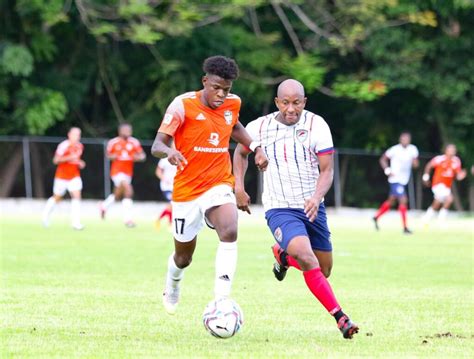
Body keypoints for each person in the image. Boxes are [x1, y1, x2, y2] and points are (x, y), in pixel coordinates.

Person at [233, 79, 358, 339]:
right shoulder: (259, 127)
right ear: (278, 102)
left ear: (304, 102)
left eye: (297, 103)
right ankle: (341, 318)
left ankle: (284, 257)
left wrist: (316, 196)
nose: (291, 109)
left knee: (323, 270)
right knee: (307, 257)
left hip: (313, 207)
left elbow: (327, 170)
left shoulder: (317, 125)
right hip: (280, 208)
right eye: (286, 103)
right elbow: (240, 152)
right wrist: (239, 187)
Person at [151, 55, 268, 315]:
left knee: (229, 229)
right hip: (186, 190)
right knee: (183, 257)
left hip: (218, 182)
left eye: (226, 90)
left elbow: (234, 125)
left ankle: (221, 301)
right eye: (216, 88)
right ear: (205, 81)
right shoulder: (182, 105)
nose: (221, 94)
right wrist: (168, 152)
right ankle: (173, 282)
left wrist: (256, 147)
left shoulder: (232, 103)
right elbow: (157, 144)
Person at [100, 123, 146, 227]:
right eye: (125, 130)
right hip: (117, 172)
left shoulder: (134, 142)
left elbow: (143, 156)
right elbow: (108, 155)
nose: (128, 132)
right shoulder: (113, 142)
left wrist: (137, 158)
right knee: (128, 190)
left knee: (118, 195)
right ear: (120, 131)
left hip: (128, 172)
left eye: (129, 130)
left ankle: (103, 206)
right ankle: (128, 220)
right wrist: (114, 156)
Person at [372, 132, 419, 234]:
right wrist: (387, 170)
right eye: (403, 139)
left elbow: (416, 164)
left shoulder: (413, 149)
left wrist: (415, 163)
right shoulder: (395, 149)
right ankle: (405, 227)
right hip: (395, 179)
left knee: (391, 201)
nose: (405, 140)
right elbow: (383, 159)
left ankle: (376, 217)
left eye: (407, 139)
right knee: (403, 200)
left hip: (404, 180)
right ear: (400, 140)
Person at [42, 127, 85, 230]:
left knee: (76, 196)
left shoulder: (80, 146)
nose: (77, 137)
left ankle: (76, 223)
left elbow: (76, 160)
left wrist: (80, 163)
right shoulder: (63, 146)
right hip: (62, 176)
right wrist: (69, 158)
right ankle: (45, 215)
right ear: (69, 134)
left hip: (74, 176)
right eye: (75, 134)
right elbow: (56, 160)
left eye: (78, 135)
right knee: (57, 197)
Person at [422, 144, 467, 222]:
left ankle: (427, 217)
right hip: (437, 184)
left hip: (447, 186)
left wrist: (462, 176)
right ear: (446, 150)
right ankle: (441, 219)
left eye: (453, 150)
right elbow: (429, 166)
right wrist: (426, 177)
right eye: (450, 150)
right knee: (449, 199)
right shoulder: (439, 159)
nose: (452, 151)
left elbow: (458, 175)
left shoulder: (456, 161)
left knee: (437, 202)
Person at [155, 157, 177, 229]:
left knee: (172, 205)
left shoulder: (179, 158)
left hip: (176, 185)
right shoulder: (164, 159)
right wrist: (164, 178)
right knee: (171, 203)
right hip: (166, 186)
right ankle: (170, 223)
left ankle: (159, 220)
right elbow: (158, 171)